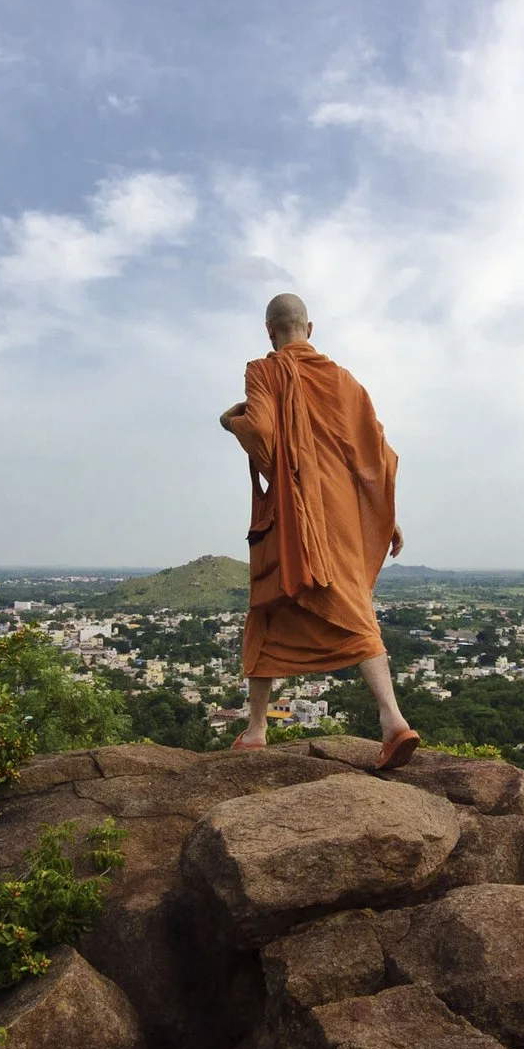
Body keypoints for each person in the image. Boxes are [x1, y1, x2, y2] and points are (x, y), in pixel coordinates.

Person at [220, 293, 421, 769]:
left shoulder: (264, 371)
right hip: (344, 516)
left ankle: (259, 728)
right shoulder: (343, 381)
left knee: (268, 607)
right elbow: (375, 455)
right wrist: (385, 517)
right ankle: (387, 720)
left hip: (295, 514)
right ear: (310, 329)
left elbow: (264, 435)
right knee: (350, 605)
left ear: (270, 332)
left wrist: (231, 423)